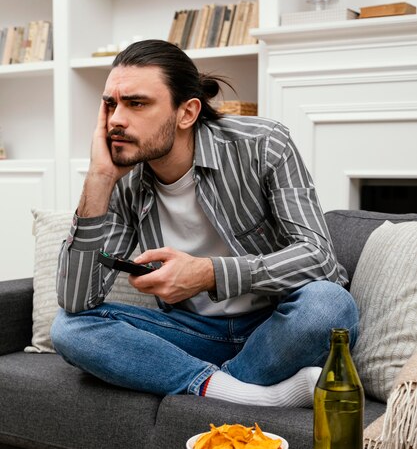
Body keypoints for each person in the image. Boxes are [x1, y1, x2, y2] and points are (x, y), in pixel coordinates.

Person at [51, 39, 358, 407]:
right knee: (69, 328)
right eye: (110, 104)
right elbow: (76, 300)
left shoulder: (263, 145)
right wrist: (99, 178)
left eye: (136, 103)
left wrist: (208, 273)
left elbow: (319, 259)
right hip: (192, 334)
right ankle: (244, 393)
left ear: (187, 112)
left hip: (273, 325)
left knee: (328, 306)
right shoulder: (124, 179)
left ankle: (205, 385)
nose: (116, 119)